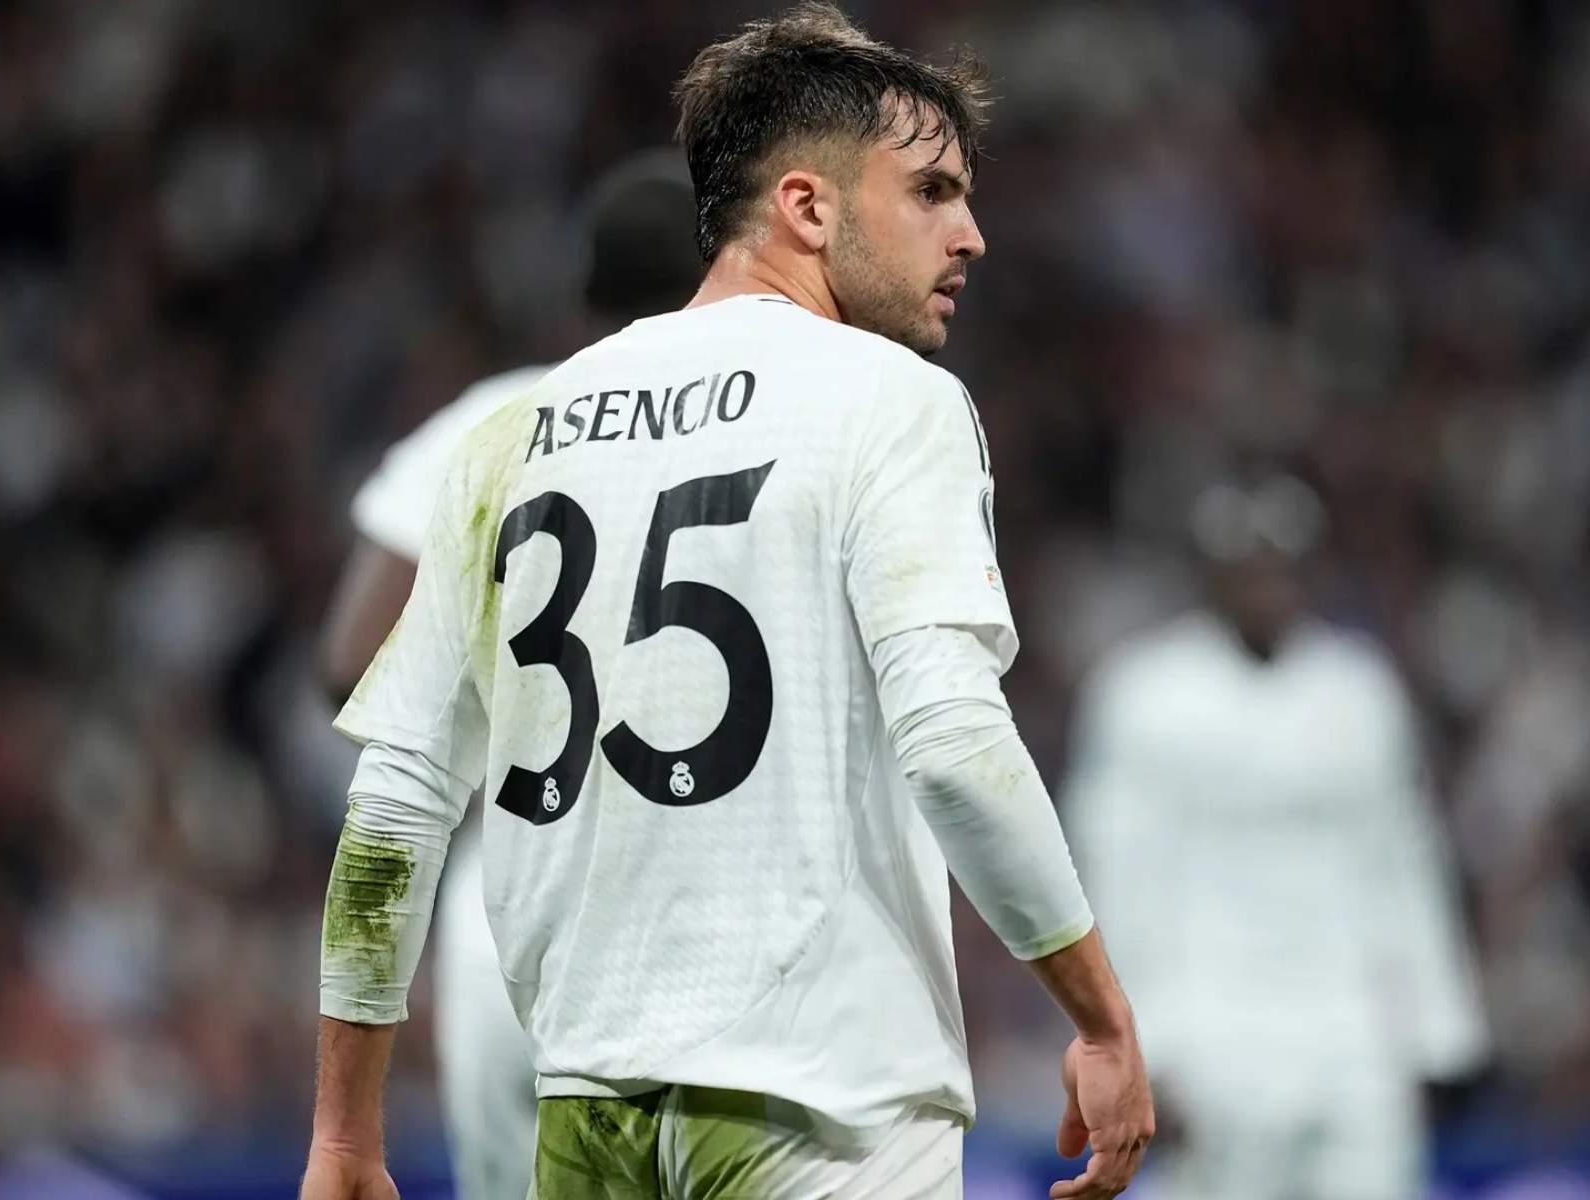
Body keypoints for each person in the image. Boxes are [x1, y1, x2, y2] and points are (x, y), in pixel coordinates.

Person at [300, 6, 1153, 1200]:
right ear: (806, 207)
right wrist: (1101, 1019)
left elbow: (392, 809)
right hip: (820, 1106)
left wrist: (344, 1131)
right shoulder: (883, 400)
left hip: (586, 1111)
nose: (970, 235)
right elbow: (956, 747)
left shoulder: (507, 437)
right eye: (931, 191)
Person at [316, 149, 701, 1200]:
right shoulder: (766, 430)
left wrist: (496, 743)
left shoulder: (490, 422)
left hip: (508, 922)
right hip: (698, 923)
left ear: (582, 294)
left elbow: (349, 660)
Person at [1066, 474, 1488, 1200]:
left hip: (1351, 1034)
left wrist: (1440, 1033)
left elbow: (1405, 868)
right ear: (1211, 570)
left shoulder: (1360, 693)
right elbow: (1113, 886)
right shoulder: (1146, 694)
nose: (1268, 581)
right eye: (1249, 562)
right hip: (1210, 1033)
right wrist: (1139, 1050)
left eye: (1283, 561)